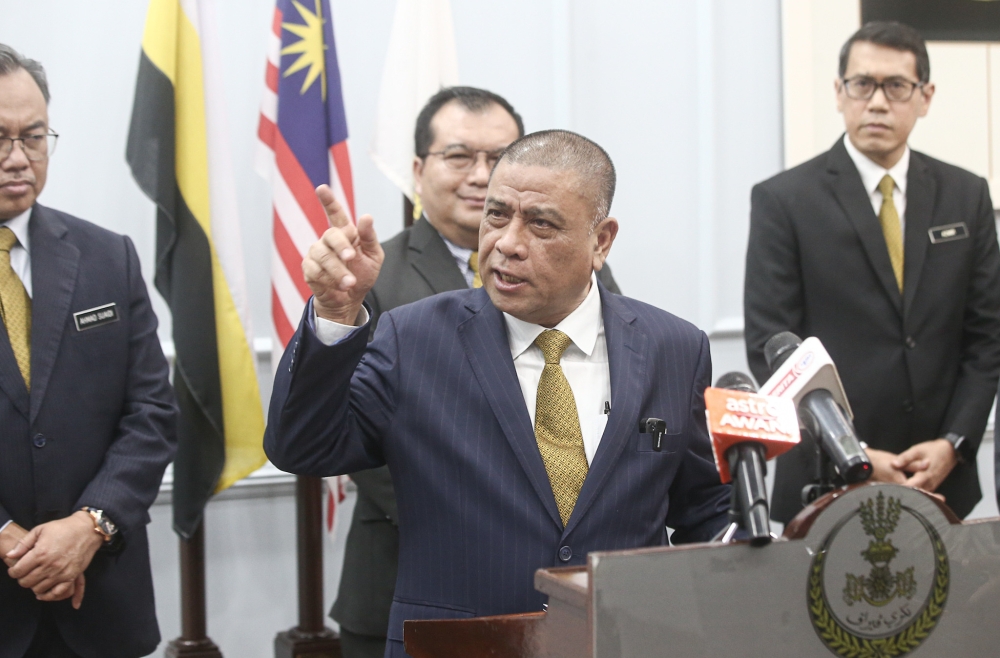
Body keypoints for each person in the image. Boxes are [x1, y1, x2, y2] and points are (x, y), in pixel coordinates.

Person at [266, 129, 730, 657]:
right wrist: (333, 316)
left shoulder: (674, 347)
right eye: (496, 214)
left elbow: (703, 506)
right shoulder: (412, 338)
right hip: (460, 645)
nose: (507, 242)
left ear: (600, 241)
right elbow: (300, 447)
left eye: (541, 224)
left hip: (626, 642)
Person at [331, 87, 621, 658]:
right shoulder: (371, 280)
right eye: (459, 156)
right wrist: (502, 513)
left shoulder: (576, 267)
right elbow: (351, 431)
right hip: (411, 579)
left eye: (498, 157)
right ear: (418, 169)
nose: (480, 175)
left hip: (563, 595)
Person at [744, 22, 1000, 524]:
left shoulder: (966, 195)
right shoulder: (784, 200)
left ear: (925, 97)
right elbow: (772, 346)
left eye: (896, 86)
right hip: (824, 481)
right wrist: (852, 450)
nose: (878, 102)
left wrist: (954, 443)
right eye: (862, 84)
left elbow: (987, 336)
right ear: (839, 93)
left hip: (943, 476)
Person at [0, 45, 177, 658]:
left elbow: (153, 413)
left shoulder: (108, 256)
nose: (18, 158)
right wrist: (10, 539)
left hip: (100, 600)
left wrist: (89, 526)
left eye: (33, 136)